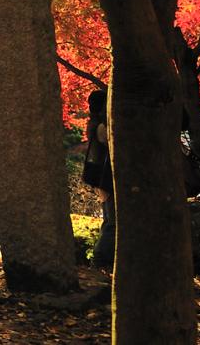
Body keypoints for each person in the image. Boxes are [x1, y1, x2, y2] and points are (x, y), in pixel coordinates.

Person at [83, 90, 115, 269]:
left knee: (109, 219)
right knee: (113, 222)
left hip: (101, 178)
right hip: (106, 178)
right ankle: (100, 259)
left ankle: (102, 259)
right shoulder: (101, 127)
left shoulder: (94, 124)